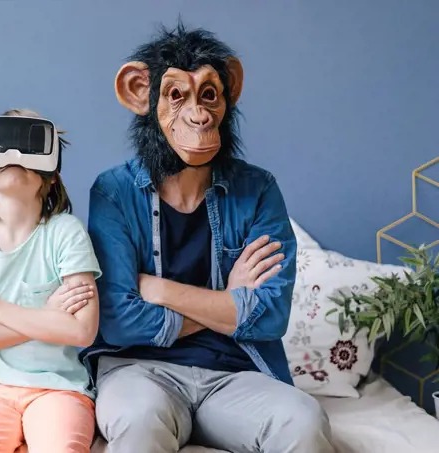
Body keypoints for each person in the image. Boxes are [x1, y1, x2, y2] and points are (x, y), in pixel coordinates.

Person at [79, 23, 335, 453]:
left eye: (209, 95)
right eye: (177, 95)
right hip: (138, 370)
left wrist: (159, 289)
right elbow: (119, 319)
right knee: (140, 423)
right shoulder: (114, 192)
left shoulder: (258, 190)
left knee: (304, 420)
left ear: (228, 93)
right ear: (141, 92)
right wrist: (226, 303)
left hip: (237, 374)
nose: (197, 115)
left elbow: (270, 315)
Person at [0, 108, 102, 453]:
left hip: (58, 388)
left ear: (51, 174)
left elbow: (81, 331)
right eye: (4, 143)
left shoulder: (65, 233)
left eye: (30, 144)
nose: (16, 156)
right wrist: (46, 314)